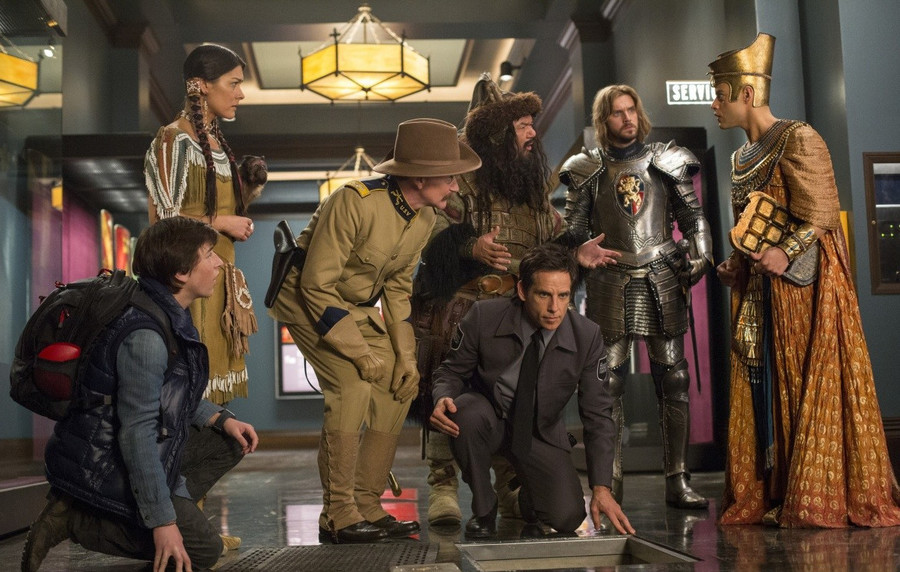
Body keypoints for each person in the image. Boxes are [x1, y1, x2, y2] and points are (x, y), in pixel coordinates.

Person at [709, 33, 900, 527]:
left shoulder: (798, 138)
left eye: (720, 95)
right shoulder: (740, 158)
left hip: (801, 291)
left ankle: (808, 490)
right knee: (761, 383)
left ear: (746, 93)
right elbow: (751, 227)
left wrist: (784, 251)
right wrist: (737, 265)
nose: (715, 105)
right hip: (758, 291)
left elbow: (821, 216)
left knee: (795, 377)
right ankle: (772, 488)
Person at [269, 118, 481, 544]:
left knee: (399, 386)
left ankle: (366, 504)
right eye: (449, 177)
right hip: (306, 298)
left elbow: (398, 291)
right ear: (420, 177)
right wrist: (360, 353)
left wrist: (406, 359)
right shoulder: (354, 202)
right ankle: (338, 515)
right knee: (351, 384)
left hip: (356, 306)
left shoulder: (424, 217)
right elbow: (316, 286)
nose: (456, 186)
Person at [22, 216, 260, 572]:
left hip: (123, 449)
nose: (219, 263)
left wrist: (221, 419)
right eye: (209, 254)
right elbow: (137, 435)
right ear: (180, 273)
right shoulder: (146, 336)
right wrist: (163, 522)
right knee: (204, 552)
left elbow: (170, 396)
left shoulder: (167, 313)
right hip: (101, 463)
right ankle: (76, 519)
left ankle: (156, 510)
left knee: (228, 441)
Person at [411, 73, 563, 527]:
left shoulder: (532, 191)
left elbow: (552, 238)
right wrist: (469, 248)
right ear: (499, 134)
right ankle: (442, 484)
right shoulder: (460, 183)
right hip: (461, 311)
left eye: (532, 124)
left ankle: (509, 484)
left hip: (516, 313)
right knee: (447, 391)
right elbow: (429, 237)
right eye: (523, 125)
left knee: (515, 398)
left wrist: (578, 252)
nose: (533, 132)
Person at [560, 85, 713, 509]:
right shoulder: (587, 168)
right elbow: (572, 231)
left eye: (631, 110)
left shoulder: (666, 160)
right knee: (606, 383)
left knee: (674, 377)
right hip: (609, 277)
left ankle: (677, 479)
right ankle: (608, 482)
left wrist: (702, 257)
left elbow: (693, 218)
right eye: (617, 112)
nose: (626, 118)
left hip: (662, 274)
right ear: (603, 120)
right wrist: (577, 255)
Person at [430, 243, 634, 537]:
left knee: (567, 517)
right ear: (523, 291)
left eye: (563, 296)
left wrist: (601, 487)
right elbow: (450, 371)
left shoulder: (587, 336)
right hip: (489, 417)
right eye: (544, 295)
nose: (554, 308)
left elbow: (598, 414)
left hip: (540, 432)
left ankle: (531, 500)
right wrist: (443, 397)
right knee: (462, 412)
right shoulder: (483, 316)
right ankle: (484, 508)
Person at [145, 43, 268, 405]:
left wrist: (249, 187)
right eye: (234, 83)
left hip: (218, 283)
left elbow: (210, 205)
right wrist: (223, 222)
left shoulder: (213, 142)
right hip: (186, 285)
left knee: (216, 401)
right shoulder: (173, 140)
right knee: (191, 395)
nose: (241, 94)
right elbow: (162, 223)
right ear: (201, 85)